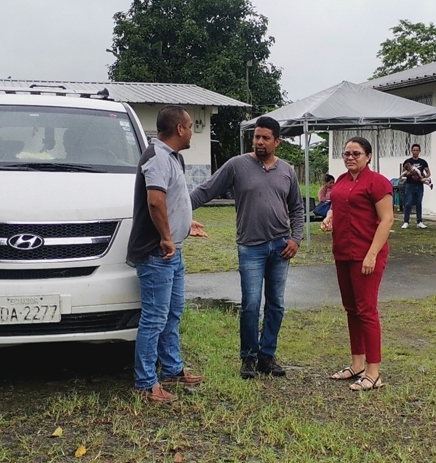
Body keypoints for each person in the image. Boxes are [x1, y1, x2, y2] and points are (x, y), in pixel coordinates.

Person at [190, 116, 305, 380]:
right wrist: (178, 209)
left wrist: (296, 239)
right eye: (256, 137)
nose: (259, 142)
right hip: (250, 248)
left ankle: (267, 356)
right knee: (251, 305)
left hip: (281, 246)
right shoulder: (236, 165)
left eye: (266, 138)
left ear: (277, 142)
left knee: (276, 304)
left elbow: (297, 208)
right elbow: (205, 191)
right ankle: (249, 358)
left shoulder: (287, 171)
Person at [127, 106, 207, 403]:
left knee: (172, 313)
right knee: (154, 318)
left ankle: (172, 369)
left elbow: (171, 200)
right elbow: (155, 202)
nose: (192, 132)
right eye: (190, 126)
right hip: (156, 252)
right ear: (179, 129)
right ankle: (145, 383)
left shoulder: (172, 157)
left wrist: (184, 224)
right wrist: (166, 236)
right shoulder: (157, 157)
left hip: (172, 251)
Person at [321, 137, 395, 391]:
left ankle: (374, 372)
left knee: (366, 310)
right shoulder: (341, 181)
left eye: (356, 153)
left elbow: (387, 220)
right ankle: (357, 364)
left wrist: (372, 254)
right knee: (351, 309)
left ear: (368, 156)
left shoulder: (377, 183)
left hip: (366, 254)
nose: (350, 157)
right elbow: (338, 206)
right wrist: (330, 217)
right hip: (343, 252)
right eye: (346, 154)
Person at [400, 143, 431, 229]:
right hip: (410, 185)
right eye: (414, 150)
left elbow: (428, 173)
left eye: (417, 150)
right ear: (411, 151)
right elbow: (403, 173)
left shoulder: (423, 162)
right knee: (408, 203)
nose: (415, 152)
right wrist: (410, 174)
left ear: (419, 151)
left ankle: (419, 222)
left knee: (419, 203)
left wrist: (423, 178)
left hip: (419, 185)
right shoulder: (407, 162)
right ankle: (406, 222)